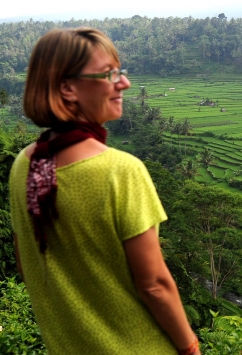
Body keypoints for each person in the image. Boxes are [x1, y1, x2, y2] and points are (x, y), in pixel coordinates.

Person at [9, 27, 200, 355]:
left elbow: (28, 264)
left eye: (120, 72)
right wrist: (190, 348)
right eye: (110, 74)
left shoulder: (24, 167)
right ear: (68, 88)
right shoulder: (120, 171)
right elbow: (154, 284)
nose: (124, 83)